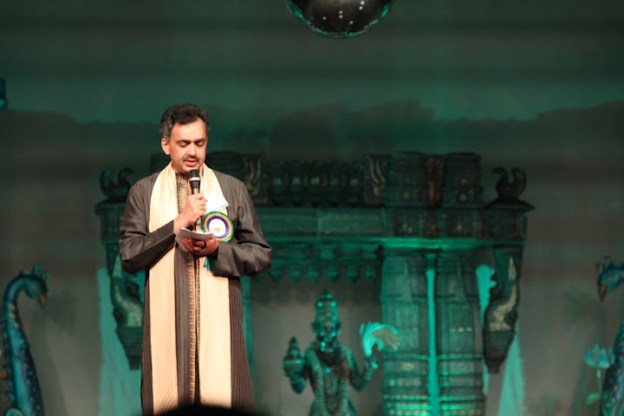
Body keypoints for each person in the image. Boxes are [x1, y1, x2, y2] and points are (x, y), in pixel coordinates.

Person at [119, 103, 272, 415]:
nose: (193, 152)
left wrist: (218, 250)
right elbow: (129, 255)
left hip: (220, 338)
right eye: (184, 143)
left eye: (199, 143)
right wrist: (177, 224)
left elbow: (260, 254)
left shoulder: (231, 189)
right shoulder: (144, 192)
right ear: (166, 145)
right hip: (168, 336)